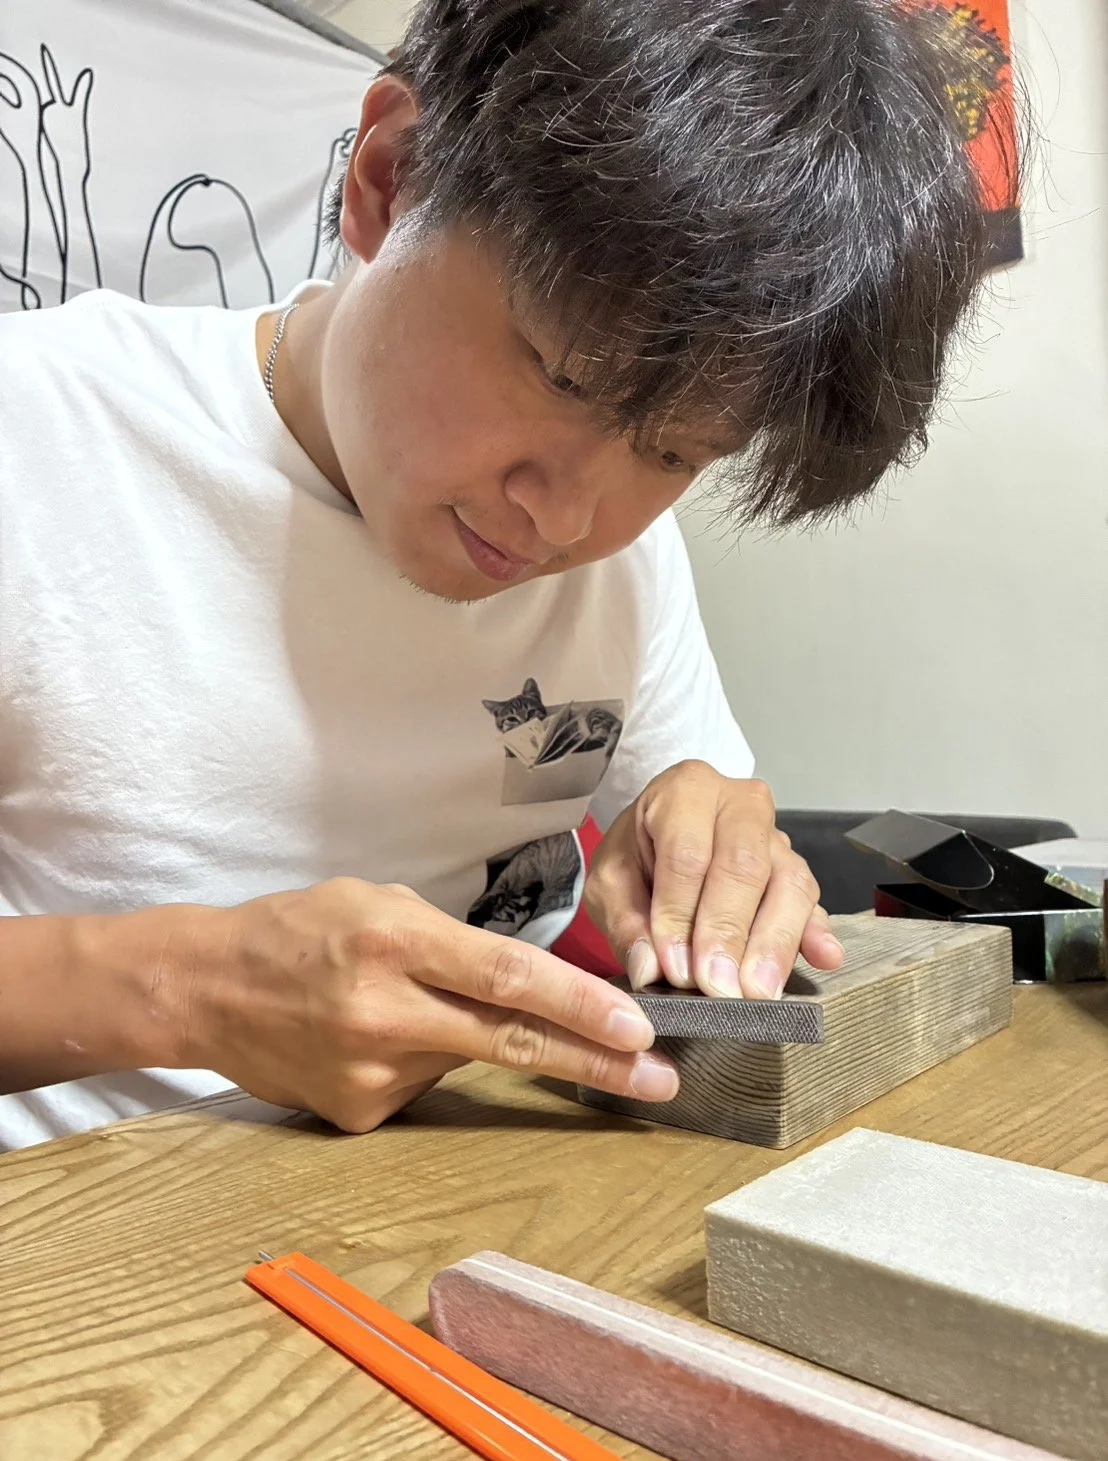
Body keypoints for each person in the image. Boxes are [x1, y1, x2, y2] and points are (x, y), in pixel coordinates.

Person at [0, 0, 988, 1151]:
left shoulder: (620, 557)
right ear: (388, 177)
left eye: (674, 453)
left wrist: (706, 835)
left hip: (475, 1207)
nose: (566, 517)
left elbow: (695, 812)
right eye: (565, 379)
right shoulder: (39, 437)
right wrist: (190, 986)